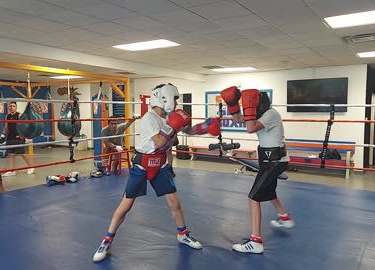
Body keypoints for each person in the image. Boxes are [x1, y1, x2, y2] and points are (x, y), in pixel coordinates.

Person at [93, 83, 220, 262]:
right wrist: (173, 125)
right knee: (126, 206)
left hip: (160, 166)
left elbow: (189, 130)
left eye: (177, 98)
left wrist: (207, 126)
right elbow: (160, 141)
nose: (176, 101)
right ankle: (107, 239)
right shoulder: (149, 118)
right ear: (163, 97)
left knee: (175, 203)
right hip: (142, 166)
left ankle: (182, 233)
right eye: (174, 97)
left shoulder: (171, 117)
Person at [221, 86, 294, 254]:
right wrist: (232, 105)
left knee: (253, 198)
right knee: (268, 191)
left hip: (274, 162)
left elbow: (250, 127)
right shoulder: (261, 114)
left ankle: (256, 242)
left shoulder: (270, 114)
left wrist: (248, 108)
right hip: (272, 161)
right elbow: (240, 120)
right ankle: (284, 217)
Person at [0, 102, 34, 176]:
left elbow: (25, 126)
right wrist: (2, 136)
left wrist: (23, 136)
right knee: (11, 154)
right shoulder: (7, 116)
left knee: (22, 153)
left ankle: (31, 166)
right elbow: (6, 127)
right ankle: (12, 171)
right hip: (10, 137)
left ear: (16, 107)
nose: (12, 107)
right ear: (9, 107)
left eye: (13, 106)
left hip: (18, 137)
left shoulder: (20, 115)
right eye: (10, 106)